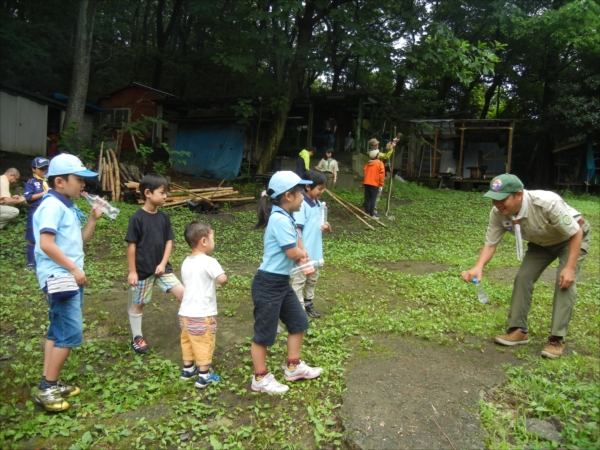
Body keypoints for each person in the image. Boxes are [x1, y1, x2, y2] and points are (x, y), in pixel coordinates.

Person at [461, 174, 591, 359]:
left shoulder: (547, 203)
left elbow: (576, 233)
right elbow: (490, 244)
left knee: (563, 281)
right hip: (542, 243)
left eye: (502, 198)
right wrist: (478, 266)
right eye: (493, 198)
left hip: (570, 239)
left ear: (519, 195)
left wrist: (569, 268)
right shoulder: (498, 213)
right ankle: (518, 330)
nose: (497, 203)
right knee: (523, 277)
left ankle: (556, 338)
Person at [31, 154, 102, 411]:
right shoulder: (51, 206)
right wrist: (72, 268)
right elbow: (46, 244)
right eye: (79, 180)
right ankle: (47, 389)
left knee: (57, 329)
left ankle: (49, 381)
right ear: (60, 181)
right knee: (70, 331)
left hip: (69, 275)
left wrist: (93, 219)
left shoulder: (67, 206)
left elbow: (78, 242)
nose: (83, 185)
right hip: (60, 276)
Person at [250, 171, 323, 393]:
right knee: (264, 334)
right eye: (301, 193)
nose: (303, 197)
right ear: (289, 196)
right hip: (268, 283)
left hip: (281, 282)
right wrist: (302, 254)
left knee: (298, 322)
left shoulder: (286, 216)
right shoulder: (279, 219)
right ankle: (260, 379)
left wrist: (303, 252)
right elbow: (292, 252)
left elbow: (298, 241)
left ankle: (293, 367)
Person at [125, 173, 185, 354]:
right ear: (148, 193)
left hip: (162, 269)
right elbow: (131, 247)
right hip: (142, 270)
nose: (166, 196)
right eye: (162, 192)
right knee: (138, 303)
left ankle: (188, 329)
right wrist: (133, 272)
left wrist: (163, 263)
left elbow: (169, 241)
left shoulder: (164, 217)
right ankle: (137, 337)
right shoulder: (137, 218)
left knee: (183, 294)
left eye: (166, 192)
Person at [179, 221, 227, 388]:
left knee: (188, 341)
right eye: (212, 237)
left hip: (185, 313)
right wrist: (222, 277)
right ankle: (204, 375)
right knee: (203, 342)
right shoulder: (209, 261)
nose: (214, 241)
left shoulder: (186, 261)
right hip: (202, 313)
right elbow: (222, 279)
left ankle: (188, 369)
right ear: (204, 241)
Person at [292, 169, 331, 318]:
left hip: (315, 252)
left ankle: (308, 303)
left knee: (312, 279)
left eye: (323, 188)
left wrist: (327, 227)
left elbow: (320, 224)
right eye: (319, 188)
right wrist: (301, 251)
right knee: (300, 280)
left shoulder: (319, 204)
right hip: (304, 253)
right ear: (308, 187)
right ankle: (298, 309)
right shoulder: (301, 205)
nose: (322, 191)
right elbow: (298, 229)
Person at [24, 157, 50, 270]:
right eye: (41, 169)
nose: (44, 171)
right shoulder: (31, 182)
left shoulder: (49, 181)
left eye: (46, 168)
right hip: (36, 210)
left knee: (48, 234)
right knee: (32, 237)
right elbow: (29, 197)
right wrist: (45, 193)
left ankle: (47, 260)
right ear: (34, 169)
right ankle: (31, 263)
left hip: (49, 210)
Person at [363, 144, 385, 219]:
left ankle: (366, 213)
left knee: (367, 198)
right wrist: (381, 184)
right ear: (376, 156)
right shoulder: (379, 163)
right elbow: (382, 175)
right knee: (373, 199)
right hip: (374, 183)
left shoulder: (368, 163)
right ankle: (372, 214)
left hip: (366, 183)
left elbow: (365, 171)